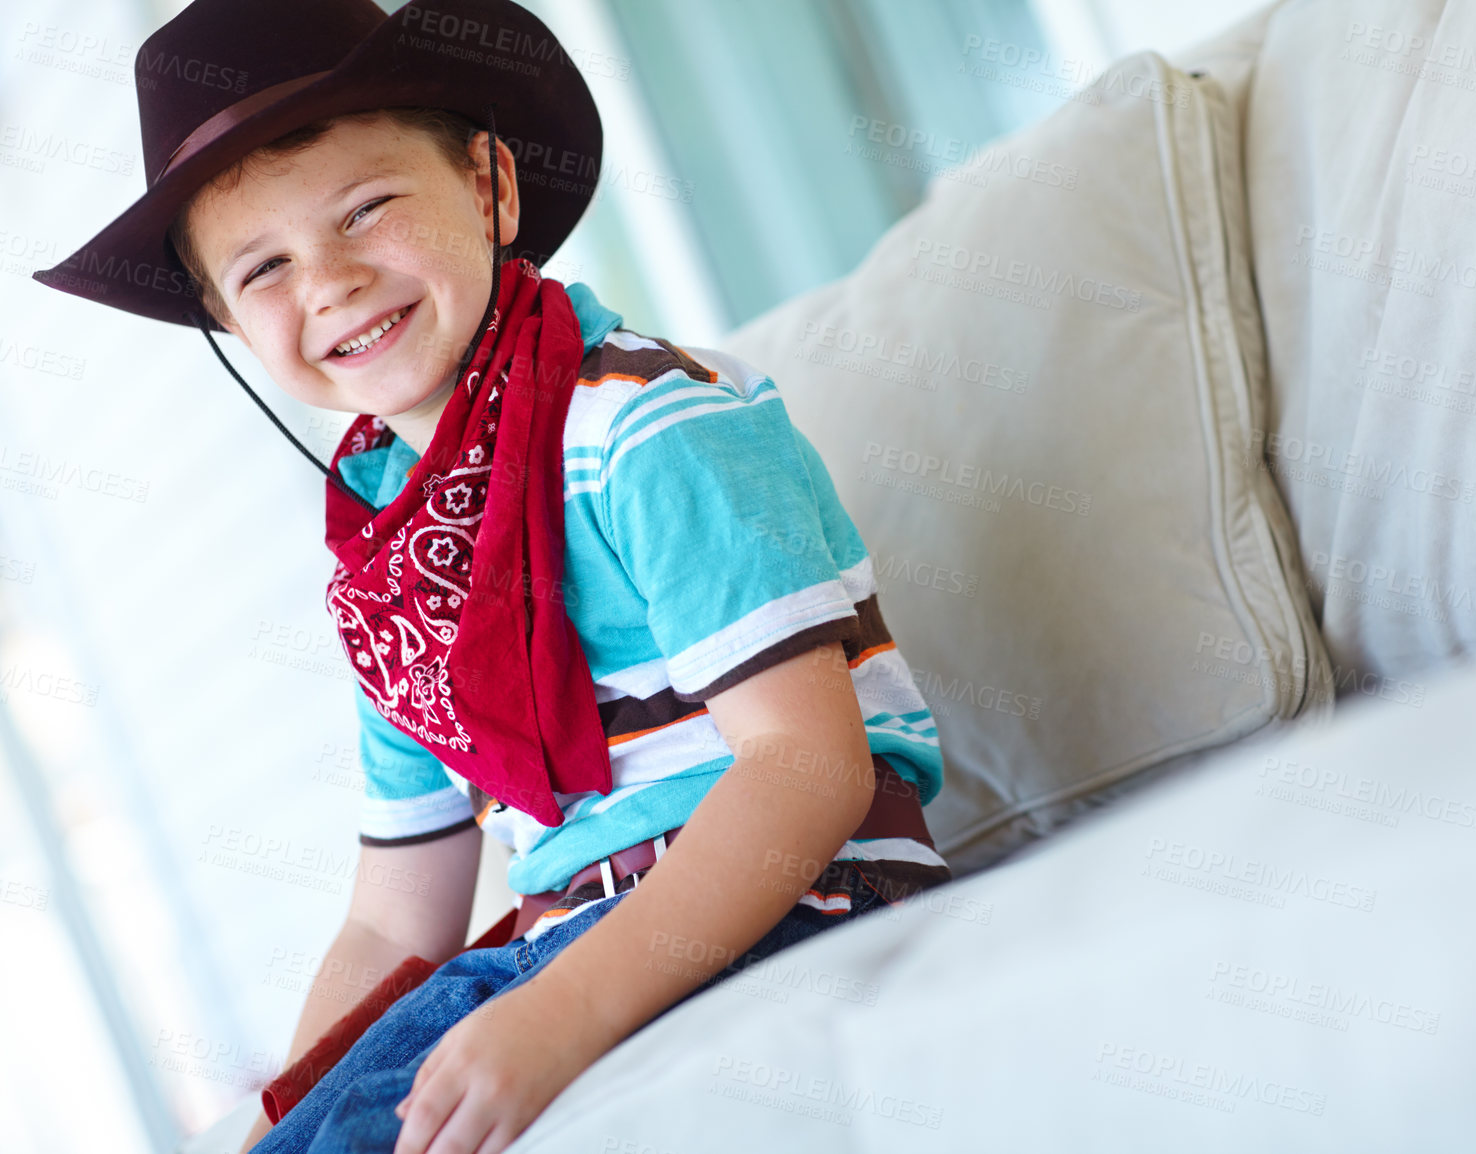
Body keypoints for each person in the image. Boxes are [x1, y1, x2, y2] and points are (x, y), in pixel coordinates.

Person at [34, 1, 948, 1151]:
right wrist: (295, 1105)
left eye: (366, 206)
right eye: (262, 268)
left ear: (488, 186)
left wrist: (558, 1014)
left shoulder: (646, 427)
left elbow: (809, 766)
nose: (329, 281)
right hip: (556, 938)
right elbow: (391, 919)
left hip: (800, 898)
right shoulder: (391, 557)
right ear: (225, 321)